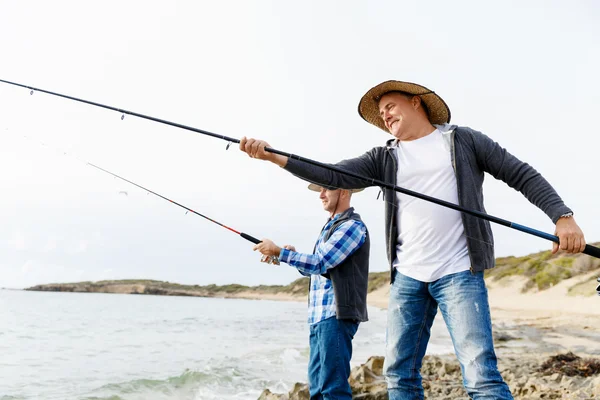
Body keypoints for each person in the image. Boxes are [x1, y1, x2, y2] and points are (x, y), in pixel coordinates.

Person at [239, 80, 587, 400]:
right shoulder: (383, 157)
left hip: (459, 272)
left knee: (480, 375)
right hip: (407, 276)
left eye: (390, 105)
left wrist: (562, 217)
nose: (385, 114)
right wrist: (273, 155)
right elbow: (330, 173)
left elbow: (521, 173)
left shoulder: (463, 140)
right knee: (398, 375)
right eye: (381, 112)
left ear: (416, 102)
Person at [253, 183, 370, 400]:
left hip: (335, 315)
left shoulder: (351, 226)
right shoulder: (330, 227)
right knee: (317, 388)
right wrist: (284, 256)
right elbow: (318, 270)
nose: (321, 196)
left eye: (326, 189)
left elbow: (320, 262)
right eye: (320, 191)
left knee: (333, 389)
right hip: (319, 317)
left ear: (344, 192)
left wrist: (279, 251)